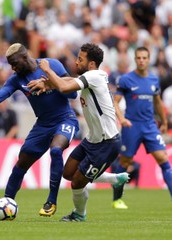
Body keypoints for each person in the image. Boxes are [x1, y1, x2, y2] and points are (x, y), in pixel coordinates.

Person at [0, 42, 79, 218]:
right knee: (20, 165)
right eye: (10, 65)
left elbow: (72, 93)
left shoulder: (50, 65)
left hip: (65, 119)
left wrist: (48, 81)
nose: (13, 68)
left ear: (25, 57)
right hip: (42, 125)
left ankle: (51, 201)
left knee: (56, 150)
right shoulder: (17, 79)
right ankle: (5, 204)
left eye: (15, 63)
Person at [28, 43, 129, 222]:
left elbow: (65, 87)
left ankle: (79, 214)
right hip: (92, 139)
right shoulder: (90, 77)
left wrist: (48, 71)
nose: (76, 61)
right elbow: (68, 82)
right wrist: (46, 82)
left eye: (80, 59)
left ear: (91, 64)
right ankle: (115, 179)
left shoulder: (95, 75)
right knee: (68, 173)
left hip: (107, 142)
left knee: (77, 182)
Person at [112, 46, 172, 209]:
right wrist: (121, 118)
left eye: (144, 58)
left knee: (163, 157)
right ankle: (117, 199)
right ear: (135, 59)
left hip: (149, 126)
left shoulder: (154, 80)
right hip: (131, 125)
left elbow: (157, 102)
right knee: (125, 161)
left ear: (148, 60)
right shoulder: (126, 79)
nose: (141, 60)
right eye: (138, 57)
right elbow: (115, 103)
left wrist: (164, 121)